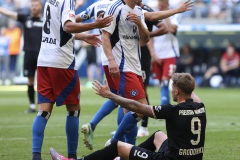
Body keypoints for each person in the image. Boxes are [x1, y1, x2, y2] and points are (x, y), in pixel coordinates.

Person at [76, 0, 192, 149]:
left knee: (127, 107)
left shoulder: (138, 10)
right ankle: (115, 141)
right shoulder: (115, 9)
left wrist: (139, 23)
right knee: (141, 108)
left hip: (134, 65)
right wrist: (111, 60)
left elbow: (146, 38)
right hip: (122, 67)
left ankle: (128, 150)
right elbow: (105, 37)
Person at [50, 73, 207, 160]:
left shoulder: (172, 111)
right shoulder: (200, 107)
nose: (171, 90)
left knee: (117, 146)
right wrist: (183, 80)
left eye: (173, 87)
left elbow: (136, 106)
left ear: (177, 91)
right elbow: (188, 89)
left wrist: (110, 95)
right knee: (158, 135)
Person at [31, 0, 113, 159]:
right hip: (62, 62)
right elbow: (67, 26)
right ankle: (72, 156)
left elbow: (59, 30)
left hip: (44, 61)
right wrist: (94, 24)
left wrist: (82, 36)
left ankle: (35, 156)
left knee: (43, 112)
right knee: (74, 110)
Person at [0, 0, 44, 113]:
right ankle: (32, 105)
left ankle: (43, 106)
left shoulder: (46, 19)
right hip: (29, 54)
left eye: (36, 5)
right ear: (30, 7)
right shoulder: (25, 18)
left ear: (41, 6)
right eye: (32, 5)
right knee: (30, 81)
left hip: (43, 55)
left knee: (43, 82)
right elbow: (8, 13)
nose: (34, 7)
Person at [151, 0, 182, 106]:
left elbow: (173, 29)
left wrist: (165, 15)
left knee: (165, 82)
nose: (160, 6)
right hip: (157, 55)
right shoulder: (153, 15)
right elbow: (149, 36)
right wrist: (153, 54)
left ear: (167, 4)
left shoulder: (174, 15)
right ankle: (167, 106)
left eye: (162, 4)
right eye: (159, 4)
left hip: (170, 54)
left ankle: (163, 106)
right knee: (161, 84)